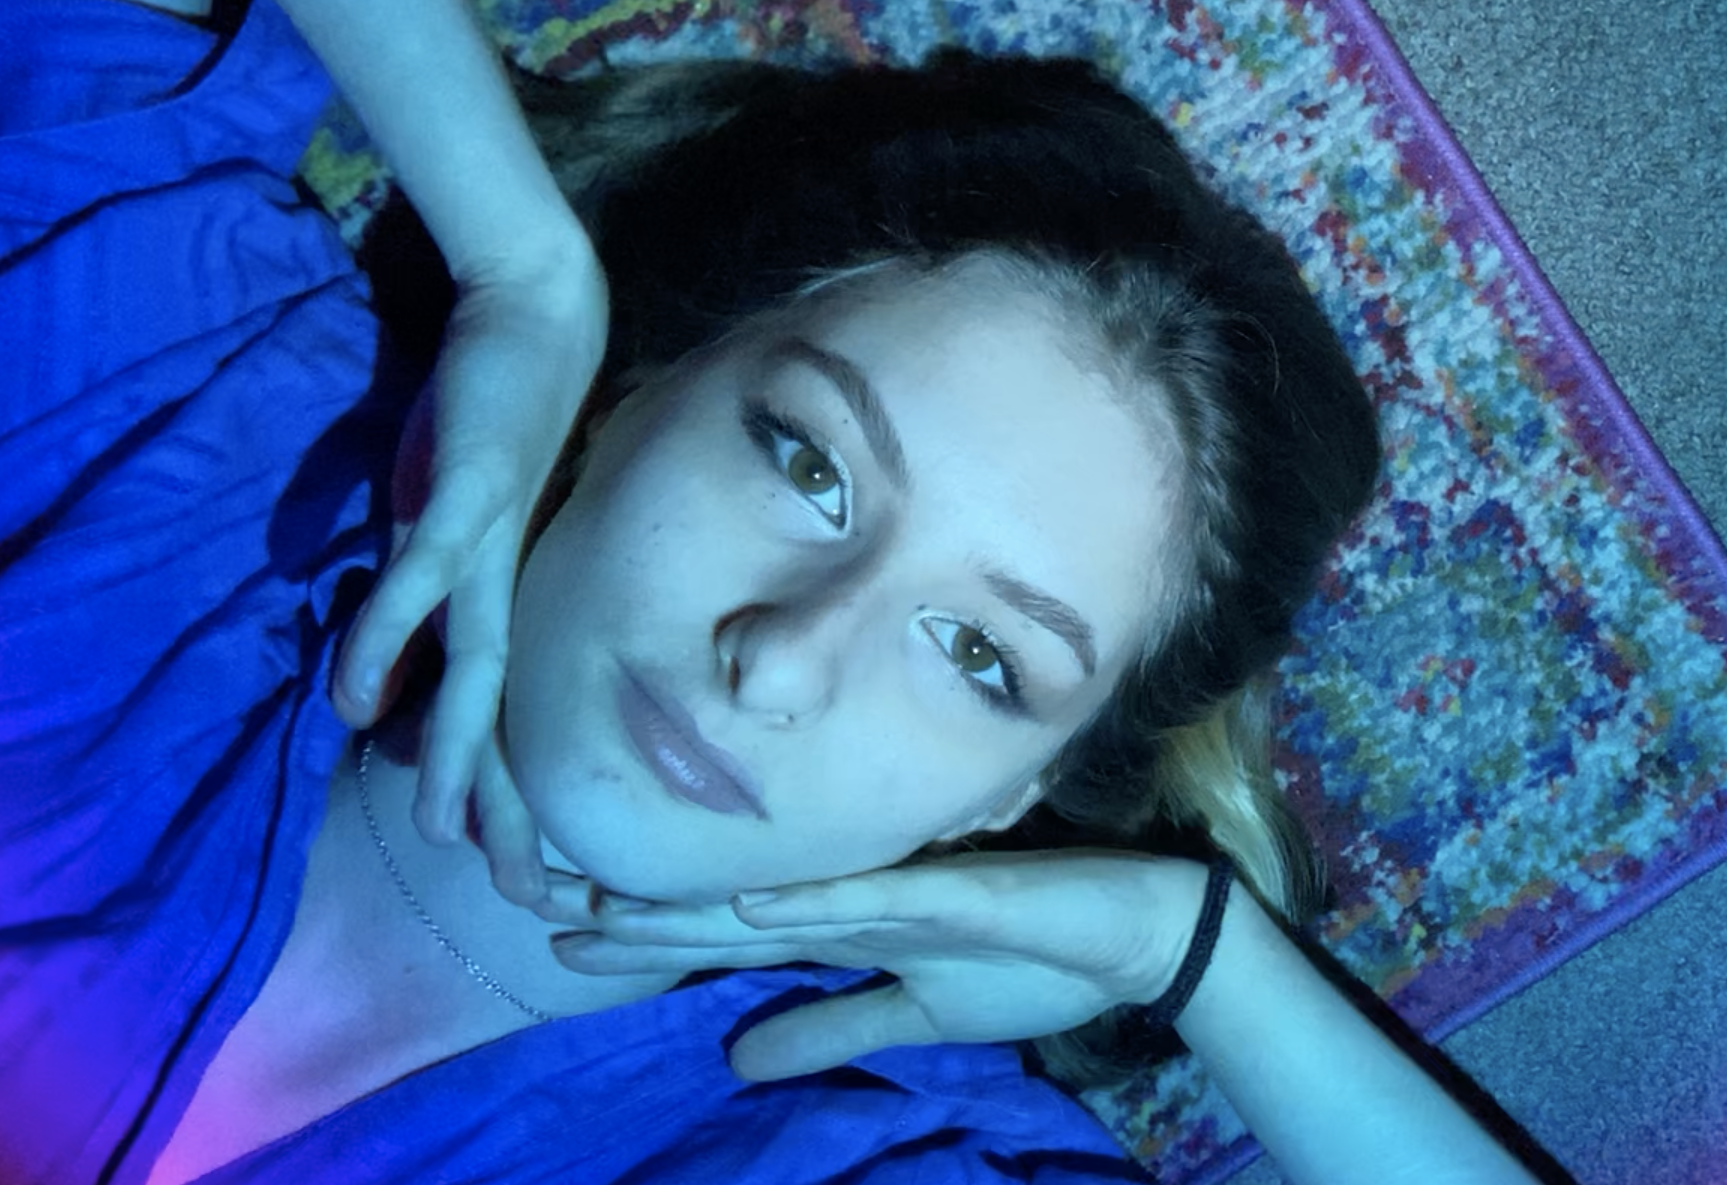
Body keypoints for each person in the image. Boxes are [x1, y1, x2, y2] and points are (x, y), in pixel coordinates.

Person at [0, 1, 1560, 1183]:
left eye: (981, 658)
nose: (783, 660)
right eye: (808, 463)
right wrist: (522, 264)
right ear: (626, 396)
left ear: (1013, 796)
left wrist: (1196, 960)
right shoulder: (184, 416)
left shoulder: (857, 1149)